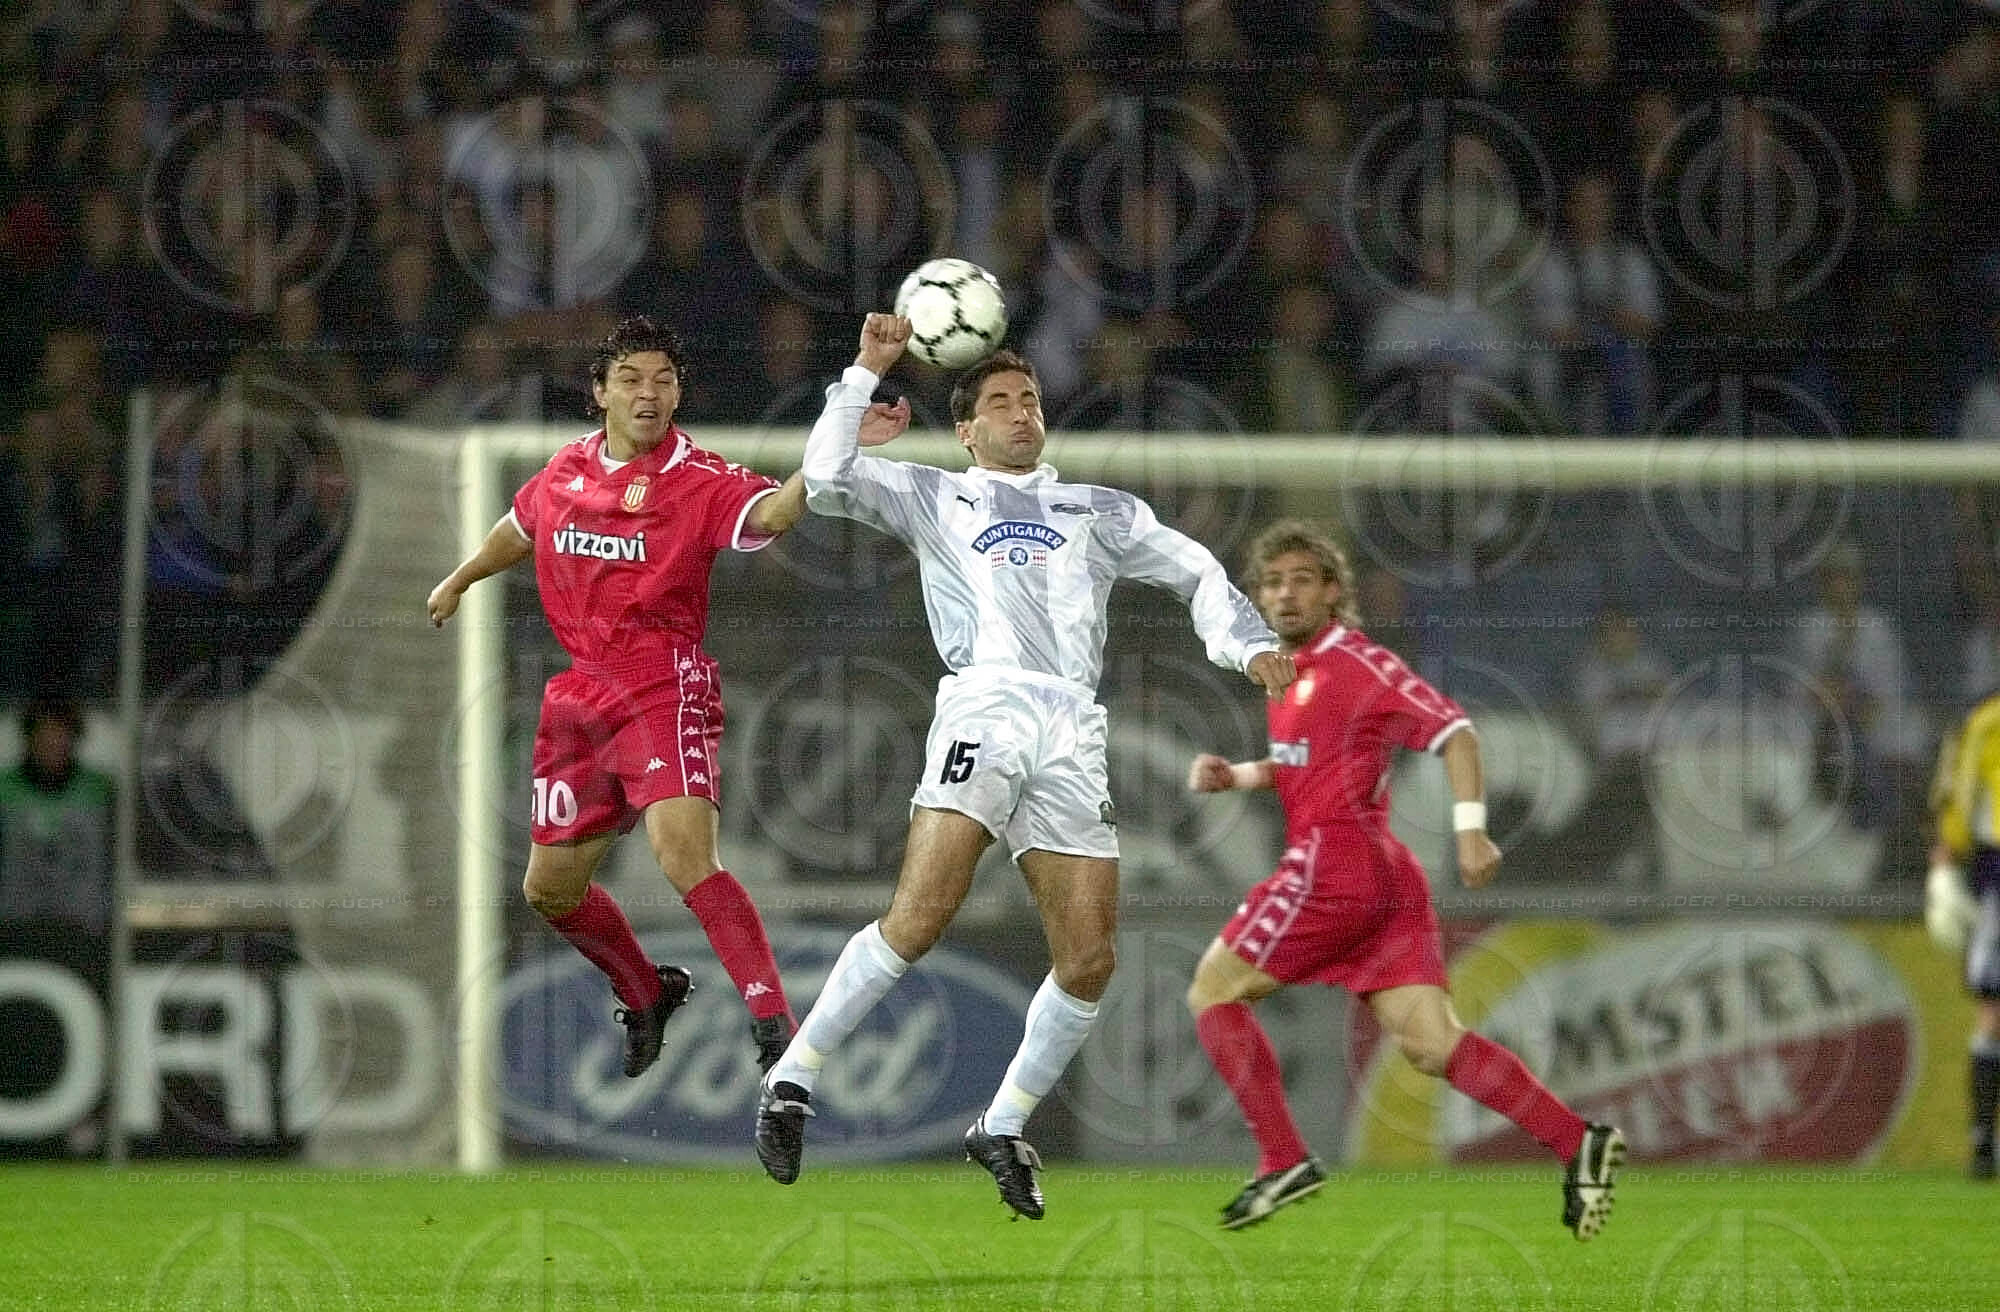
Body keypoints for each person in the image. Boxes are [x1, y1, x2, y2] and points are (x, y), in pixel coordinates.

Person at [755, 314, 1293, 1218]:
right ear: (967, 431)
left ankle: (1001, 1125)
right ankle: (792, 1077)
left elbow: (1197, 569)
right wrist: (864, 372)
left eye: (1030, 398)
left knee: (1089, 959)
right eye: (1000, 401)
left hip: (1073, 728)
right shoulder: (934, 493)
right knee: (919, 917)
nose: (1020, 412)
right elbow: (830, 475)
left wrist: (1248, 644)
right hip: (986, 706)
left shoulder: (1100, 511)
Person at [1182, 521, 1625, 1238]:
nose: (1285, 595)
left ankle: (1284, 1158)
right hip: (1383, 882)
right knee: (1431, 1044)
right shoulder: (1286, 672)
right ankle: (1579, 1142)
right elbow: (1304, 767)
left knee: (1213, 990)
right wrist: (1236, 776)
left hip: (1333, 870)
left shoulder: (1358, 665)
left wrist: (1472, 829)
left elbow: (1456, 733)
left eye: (1302, 581)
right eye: (1272, 584)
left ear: (1333, 592)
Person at [427, 316, 805, 1079]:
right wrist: (463, 577)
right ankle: (646, 991)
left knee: (683, 853)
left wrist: (830, 459)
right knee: (549, 890)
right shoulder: (566, 469)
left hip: (662, 682)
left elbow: (771, 513)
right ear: (600, 392)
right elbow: (519, 526)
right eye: (632, 378)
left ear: (678, 394)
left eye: (664, 379)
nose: (649, 392)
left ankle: (777, 1026)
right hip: (580, 694)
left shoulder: (698, 477)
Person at [1926, 690, 2000, 1179]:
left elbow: (1957, 796)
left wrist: (1948, 851)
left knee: (1993, 1012)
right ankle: (1983, 1144)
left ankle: (1982, 1142)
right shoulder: (1986, 721)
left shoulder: (1985, 720)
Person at [0, 694, 113, 938]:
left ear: (74, 739)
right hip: (14, 927)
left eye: (61, 737)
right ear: (29, 739)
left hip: (84, 928)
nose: (54, 744)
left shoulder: (99, 789)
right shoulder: (4, 788)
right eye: (45, 736)